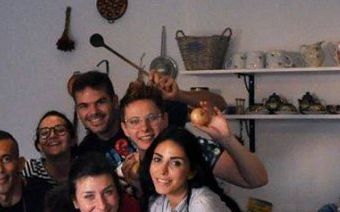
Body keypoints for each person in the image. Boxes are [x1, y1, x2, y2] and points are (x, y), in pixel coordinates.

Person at [119, 80, 268, 190]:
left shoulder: (193, 149)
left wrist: (226, 139)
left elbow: (257, 180)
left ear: (165, 119)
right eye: (134, 121)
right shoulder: (127, 166)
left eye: (152, 118)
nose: (144, 128)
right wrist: (138, 187)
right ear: (125, 128)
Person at [69, 70, 227, 168]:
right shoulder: (85, 153)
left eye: (100, 102)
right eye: (84, 106)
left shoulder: (148, 115)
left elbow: (219, 104)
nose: (93, 112)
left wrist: (179, 96)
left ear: (115, 101)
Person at [0, 107, 76, 186]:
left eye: (60, 130)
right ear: (38, 144)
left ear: (73, 139)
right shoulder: (30, 169)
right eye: (44, 132)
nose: (52, 135)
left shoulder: (83, 169)